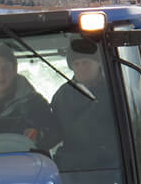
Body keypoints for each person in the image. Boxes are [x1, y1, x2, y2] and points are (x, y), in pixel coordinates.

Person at [50, 39, 119, 170]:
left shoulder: (116, 90)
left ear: (98, 63)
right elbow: (54, 132)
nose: (81, 68)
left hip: (115, 164)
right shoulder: (61, 96)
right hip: (76, 168)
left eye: (86, 62)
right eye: (76, 64)